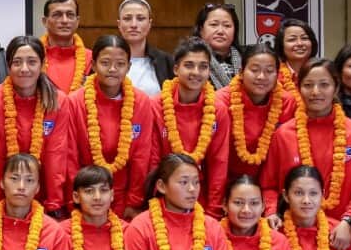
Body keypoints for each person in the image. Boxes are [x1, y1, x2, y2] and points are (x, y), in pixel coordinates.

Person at [262, 59, 351, 228]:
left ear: (336, 88)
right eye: (308, 85)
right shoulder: (283, 135)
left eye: (324, 85)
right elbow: (268, 186)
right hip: (293, 232)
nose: (316, 92)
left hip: (343, 235)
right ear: (299, 89)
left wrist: (349, 222)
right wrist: (271, 212)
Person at [65, 35, 159, 220]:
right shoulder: (75, 102)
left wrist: (134, 201)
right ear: (93, 65)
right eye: (105, 63)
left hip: (125, 198)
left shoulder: (141, 102)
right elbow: (70, 156)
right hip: (86, 195)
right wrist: (75, 200)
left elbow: (142, 156)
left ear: (129, 67)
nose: (113, 69)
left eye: (120, 63)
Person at [0, 36, 70, 215]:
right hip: (2, 197)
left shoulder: (58, 101)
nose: (24, 69)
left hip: (44, 198)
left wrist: (54, 204)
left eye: (31, 62)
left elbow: (57, 154)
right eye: (17, 62)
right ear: (8, 67)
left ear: (43, 65)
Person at [154, 37, 231, 216]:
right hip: (163, 200)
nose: (196, 72)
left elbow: (219, 164)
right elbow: (152, 162)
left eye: (203, 67)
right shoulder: (156, 106)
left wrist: (213, 211)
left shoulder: (218, 110)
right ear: (176, 69)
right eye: (189, 65)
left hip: (202, 199)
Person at [216, 42, 297, 183]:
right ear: (241, 72)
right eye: (254, 70)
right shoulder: (221, 101)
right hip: (228, 182)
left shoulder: (288, 102)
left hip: (271, 182)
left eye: (269, 71)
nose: (261, 77)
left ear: (277, 75)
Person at [117, 0, 173, 97]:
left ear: (149, 24)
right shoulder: (106, 60)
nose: (134, 24)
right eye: (127, 18)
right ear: (119, 24)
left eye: (140, 18)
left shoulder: (166, 61)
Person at [41, 0, 92, 93]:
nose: (64, 20)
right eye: (57, 15)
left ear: (77, 21)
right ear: (45, 21)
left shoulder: (92, 59)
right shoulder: (33, 57)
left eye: (70, 15)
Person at [193, 3, 241, 88]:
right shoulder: (190, 59)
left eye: (227, 26)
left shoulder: (246, 58)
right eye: (214, 25)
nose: (220, 31)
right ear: (201, 30)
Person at [272, 18, 317, 93]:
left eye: (304, 38)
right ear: (281, 45)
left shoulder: (322, 72)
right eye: (292, 39)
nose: (300, 43)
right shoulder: (273, 76)